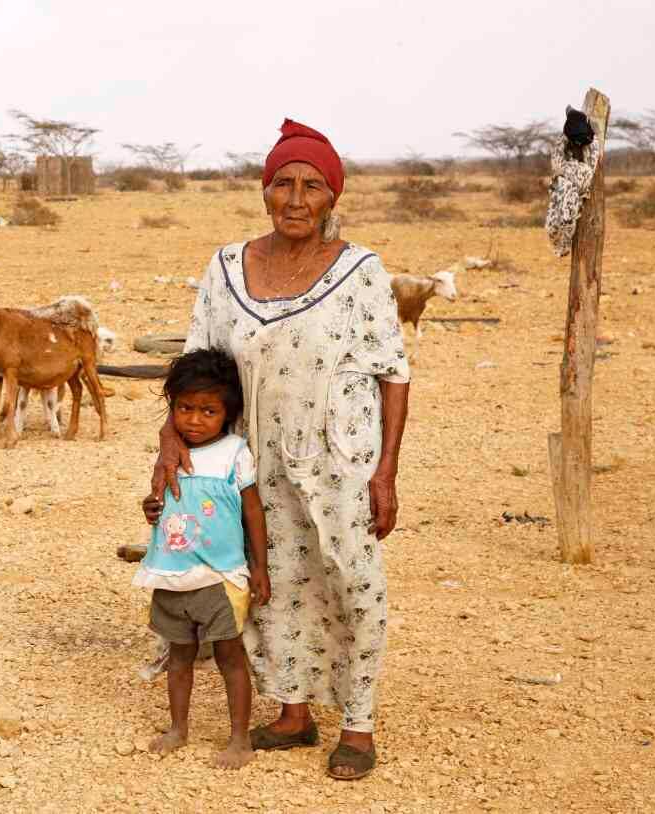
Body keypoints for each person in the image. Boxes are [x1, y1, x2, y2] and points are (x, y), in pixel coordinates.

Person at [148, 119, 411, 781]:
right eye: (283, 184)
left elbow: (394, 374)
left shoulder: (361, 272)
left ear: (332, 197)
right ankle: (294, 713)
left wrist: (385, 473)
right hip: (248, 459)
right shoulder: (226, 267)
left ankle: (358, 723)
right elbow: (194, 365)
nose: (296, 199)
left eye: (312, 186)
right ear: (264, 191)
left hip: (338, 459)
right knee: (271, 580)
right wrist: (168, 440)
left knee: (351, 580)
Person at [136, 348, 271, 770]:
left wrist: (260, 568)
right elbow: (163, 503)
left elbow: (253, 512)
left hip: (220, 576)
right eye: (185, 408)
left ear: (228, 413)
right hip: (172, 574)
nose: (194, 420)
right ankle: (178, 729)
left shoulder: (234, 453)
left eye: (208, 411)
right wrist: (151, 509)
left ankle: (239, 739)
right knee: (179, 657)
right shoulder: (170, 454)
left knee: (230, 657)